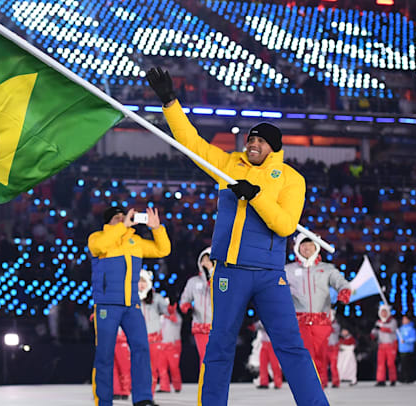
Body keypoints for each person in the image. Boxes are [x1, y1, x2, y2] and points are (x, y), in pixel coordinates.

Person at [148, 66, 328, 406]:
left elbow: (286, 226)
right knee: (219, 346)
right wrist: (169, 101)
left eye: (259, 140)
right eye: (250, 139)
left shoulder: (291, 179)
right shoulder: (230, 165)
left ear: (273, 146)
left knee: (290, 345)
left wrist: (255, 194)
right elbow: (191, 144)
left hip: (268, 274)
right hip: (229, 271)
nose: (252, 144)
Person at [88, 206, 170, 406]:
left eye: (124, 217)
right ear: (109, 222)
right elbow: (98, 248)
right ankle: (104, 401)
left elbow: (163, 250)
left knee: (141, 348)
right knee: (105, 353)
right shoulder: (98, 238)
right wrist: (121, 227)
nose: (124, 219)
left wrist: (157, 228)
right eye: (118, 217)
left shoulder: (135, 242)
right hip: (107, 305)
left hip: (131, 305)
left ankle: (143, 398)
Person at [286, 233, 351, 388]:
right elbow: (275, 288)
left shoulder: (327, 269)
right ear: (297, 247)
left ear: (316, 248)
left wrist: (342, 300)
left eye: (310, 245)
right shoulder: (287, 270)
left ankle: (319, 389)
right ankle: (307, 388)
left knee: (321, 356)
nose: (306, 248)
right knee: (305, 356)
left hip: (322, 321)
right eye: (303, 245)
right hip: (299, 321)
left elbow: (343, 284)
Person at [179, 247, 213, 366]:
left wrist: (212, 278)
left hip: (217, 327)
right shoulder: (193, 282)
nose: (206, 263)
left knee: (217, 357)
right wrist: (186, 307)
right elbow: (184, 299)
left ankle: (217, 383)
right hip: (200, 326)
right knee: (204, 356)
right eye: (203, 260)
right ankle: (205, 383)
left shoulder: (221, 280)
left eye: (209, 260)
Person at [139, 270, 170, 394]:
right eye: (139, 281)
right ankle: (139, 391)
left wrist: (170, 307)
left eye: (143, 281)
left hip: (154, 339)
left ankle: (148, 394)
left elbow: (167, 311)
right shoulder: (132, 298)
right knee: (139, 367)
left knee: (153, 368)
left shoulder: (156, 298)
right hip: (138, 338)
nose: (141, 284)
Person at [157, 296, 182, 393]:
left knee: (174, 368)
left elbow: (176, 320)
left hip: (173, 345)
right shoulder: (159, 317)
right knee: (161, 368)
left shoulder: (176, 316)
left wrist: (169, 314)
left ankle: (177, 386)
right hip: (161, 345)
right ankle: (164, 387)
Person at [371, 304, 397, 386]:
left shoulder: (392, 321)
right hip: (381, 345)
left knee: (390, 363)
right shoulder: (378, 322)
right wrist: (373, 334)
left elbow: (391, 329)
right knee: (380, 363)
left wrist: (381, 328)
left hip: (390, 345)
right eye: (382, 312)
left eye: (385, 312)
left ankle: (393, 379)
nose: (383, 314)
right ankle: (380, 380)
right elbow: (374, 333)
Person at [255, 321, 283, 389]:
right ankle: (264, 382)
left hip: (272, 344)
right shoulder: (261, 321)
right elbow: (255, 327)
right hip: (264, 343)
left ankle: (277, 382)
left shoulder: (273, 319)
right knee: (263, 364)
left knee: (274, 364)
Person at [398, 315, 416, 383]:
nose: (403, 321)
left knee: (408, 365)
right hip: (401, 350)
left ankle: (409, 378)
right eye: (403, 319)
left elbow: (414, 339)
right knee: (402, 365)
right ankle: (403, 377)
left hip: (408, 350)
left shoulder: (411, 329)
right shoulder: (400, 329)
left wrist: (406, 341)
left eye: (405, 319)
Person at [112, 328, 131, 400]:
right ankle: (116, 391)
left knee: (124, 369)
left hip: (122, 343)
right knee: (113, 370)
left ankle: (125, 391)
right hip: (110, 343)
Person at [326, 311, 341, 388]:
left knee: (333, 366)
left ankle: (335, 382)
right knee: (323, 366)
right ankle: (323, 381)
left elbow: (330, 329)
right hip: (325, 347)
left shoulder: (336, 325)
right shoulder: (324, 324)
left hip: (334, 348)